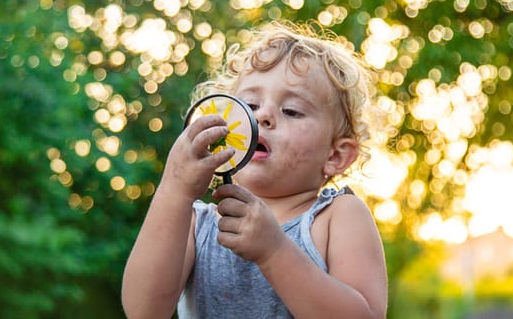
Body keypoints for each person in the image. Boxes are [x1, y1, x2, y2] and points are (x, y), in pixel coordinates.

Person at [121, 20, 388, 318]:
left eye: (291, 111)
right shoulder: (196, 223)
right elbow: (143, 311)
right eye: (248, 105)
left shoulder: (338, 217)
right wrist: (175, 188)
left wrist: (274, 251)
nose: (263, 116)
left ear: (336, 156)